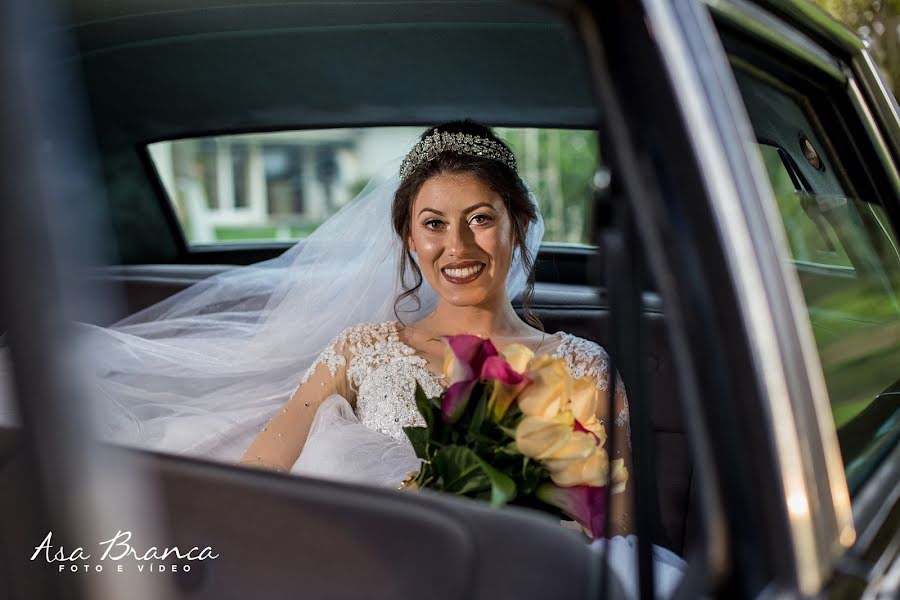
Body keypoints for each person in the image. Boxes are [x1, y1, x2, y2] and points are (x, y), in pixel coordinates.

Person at [238, 120, 635, 537]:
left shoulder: (585, 370)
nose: (458, 246)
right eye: (433, 224)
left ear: (517, 224)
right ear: (410, 237)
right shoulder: (358, 352)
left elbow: (618, 527)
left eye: (480, 218)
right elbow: (256, 472)